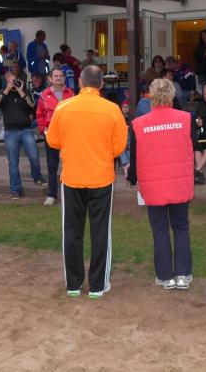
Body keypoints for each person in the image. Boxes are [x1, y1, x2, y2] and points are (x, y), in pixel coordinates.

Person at [45, 65, 127, 299]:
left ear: (80, 82)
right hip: (101, 178)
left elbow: (53, 141)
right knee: (101, 232)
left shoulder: (63, 107)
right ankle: (98, 285)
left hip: (72, 178)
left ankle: (73, 283)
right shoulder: (112, 109)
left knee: (71, 231)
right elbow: (118, 147)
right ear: (101, 84)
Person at [127, 78, 194, 290]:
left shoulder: (139, 124)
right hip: (179, 181)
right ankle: (183, 274)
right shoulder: (185, 119)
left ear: (151, 95)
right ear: (172, 94)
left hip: (153, 184)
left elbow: (134, 157)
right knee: (181, 227)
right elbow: (192, 147)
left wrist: (133, 179)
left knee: (160, 229)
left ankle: (165, 276)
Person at [0, 71, 48, 199]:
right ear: (6, 82)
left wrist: (20, 91)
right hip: (10, 132)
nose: (13, 83)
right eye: (10, 81)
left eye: (15, 80)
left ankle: (37, 177)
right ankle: (15, 190)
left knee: (34, 156)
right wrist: (7, 90)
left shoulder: (25, 91)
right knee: (13, 162)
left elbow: (32, 105)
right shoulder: (2, 93)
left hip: (26, 130)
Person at [36, 68, 75, 206]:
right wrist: (44, 130)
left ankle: (70, 194)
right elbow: (39, 115)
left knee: (70, 165)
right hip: (51, 134)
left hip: (68, 134)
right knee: (52, 166)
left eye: (60, 76)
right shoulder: (44, 95)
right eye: (55, 76)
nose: (58, 78)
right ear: (50, 79)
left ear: (64, 78)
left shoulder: (71, 94)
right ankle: (52, 195)